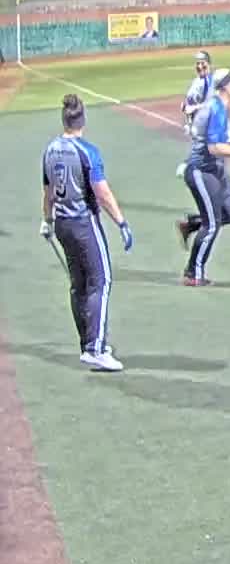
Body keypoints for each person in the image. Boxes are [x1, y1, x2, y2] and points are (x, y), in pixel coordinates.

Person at [41, 94, 134, 372]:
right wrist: (121, 222)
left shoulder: (50, 150)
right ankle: (96, 348)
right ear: (83, 120)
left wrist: (47, 220)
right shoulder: (87, 151)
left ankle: (87, 344)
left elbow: (48, 192)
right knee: (101, 281)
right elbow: (101, 193)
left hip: (62, 224)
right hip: (83, 223)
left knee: (78, 284)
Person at [175, 67, 230, 286]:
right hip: (202, 171)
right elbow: (214, 148)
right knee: (212, 225)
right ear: (224, 87)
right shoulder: (215, 108)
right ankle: (193, 274)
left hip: (216, 170)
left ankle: (192, 224)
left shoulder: (219, 107)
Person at [177, 50, 213, 178]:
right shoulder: (197, 80)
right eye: (197, 63)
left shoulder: (209, 81)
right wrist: (187, 114)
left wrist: (194, 108)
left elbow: (211, 103)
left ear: (208, 64)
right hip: (196, 123)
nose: (199, 66)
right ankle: (192, 168)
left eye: (202, 63)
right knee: (202, 150)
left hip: (205, 123)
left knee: (205, 150)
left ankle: (189, 167)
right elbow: (189, 101)